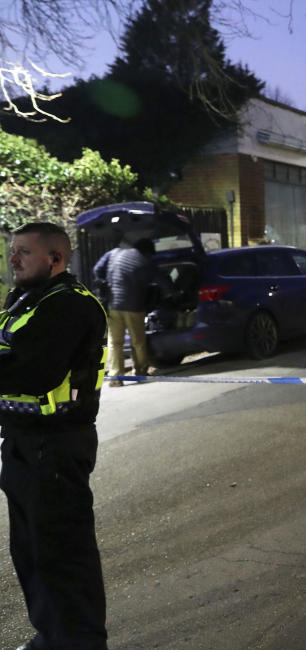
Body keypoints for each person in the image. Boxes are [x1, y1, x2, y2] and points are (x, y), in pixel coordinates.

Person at [0, 222, 109, 650]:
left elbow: (34, 371)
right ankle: (53, 636)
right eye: (12, 251)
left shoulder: (68, 305)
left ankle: (79, 643)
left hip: (56, 446)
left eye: (23, 252)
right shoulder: (26, 301)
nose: (13, 259)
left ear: (56, 259)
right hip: (24, 443)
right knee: (30, 552)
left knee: (62, 554)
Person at [93, 238, 170, 386]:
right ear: (148, 251)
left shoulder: (113, 253)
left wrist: (103, 282)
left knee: (115, 343)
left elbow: (97, 269)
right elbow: (162, 280)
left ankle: (116, 378)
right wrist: (171, 293)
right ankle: (140, 373)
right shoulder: (145, 260)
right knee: (138, 342)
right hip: (134, 307)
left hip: (113, 305)